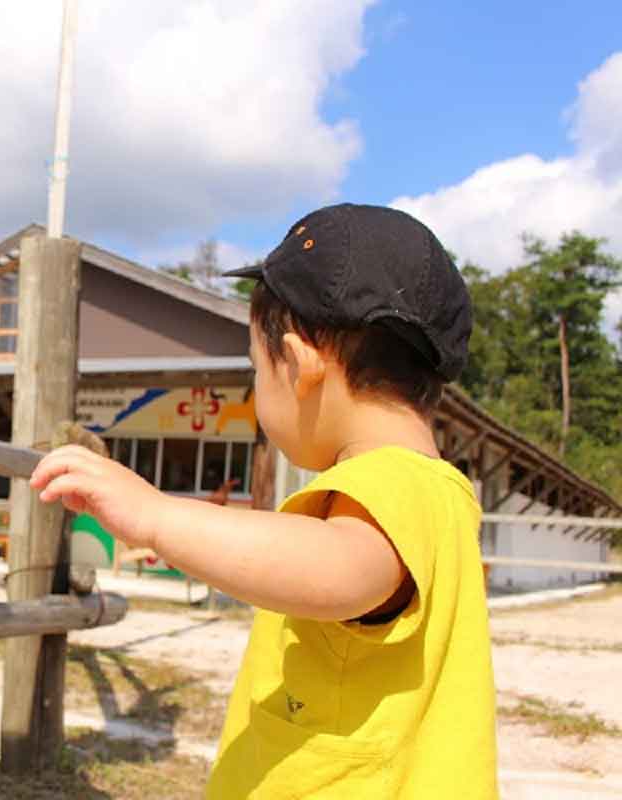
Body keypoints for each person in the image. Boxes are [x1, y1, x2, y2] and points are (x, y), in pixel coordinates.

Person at [30, 204, 497, 799]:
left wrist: (156, 516)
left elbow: (336, 566)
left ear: (301, 366)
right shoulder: (434, 490)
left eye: (257, 368)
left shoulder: (393, 485)